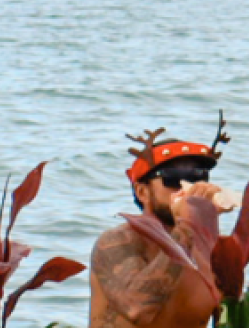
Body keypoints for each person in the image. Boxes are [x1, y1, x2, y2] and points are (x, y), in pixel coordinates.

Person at [89, 131, 226, 327]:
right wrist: (188, 225)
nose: (186, 186)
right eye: (173, 178)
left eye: (197, 176)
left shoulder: (213, 253)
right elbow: (136, 308)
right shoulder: (118, 240)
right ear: (142, 191)